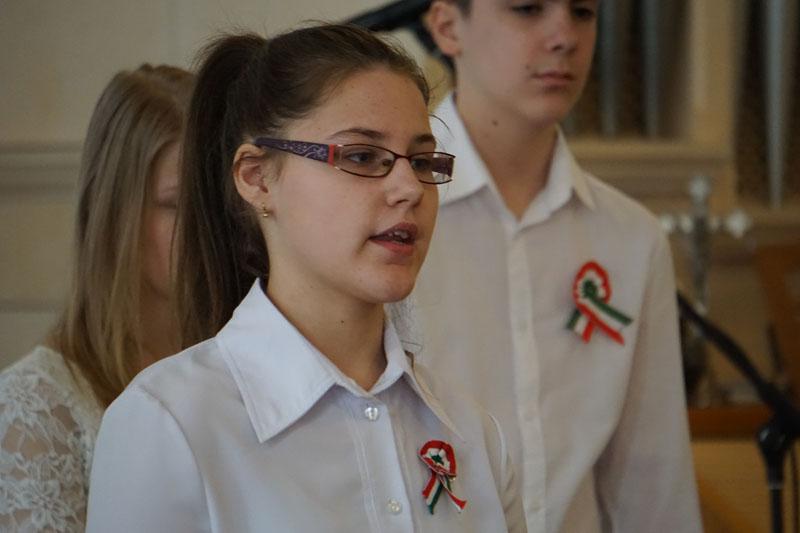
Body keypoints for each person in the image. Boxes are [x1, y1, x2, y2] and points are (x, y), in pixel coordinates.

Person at [85, 24, 526, 532]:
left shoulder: (472, 434)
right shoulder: (169, 423)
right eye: (362, 156)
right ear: (256, 177)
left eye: (423, 161)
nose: (409, 187)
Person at [415, 1, 702, 531]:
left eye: (583, 11)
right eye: (528, 8)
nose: (564, 36)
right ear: (448, 26)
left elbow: (651, 476)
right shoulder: (393, 219)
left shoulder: (631, 236)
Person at [0, 64, 192, 532]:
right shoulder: (35, 408)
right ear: (115, 212)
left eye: (214, 204)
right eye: (176, 204)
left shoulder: (244, 361)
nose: (205, 230)